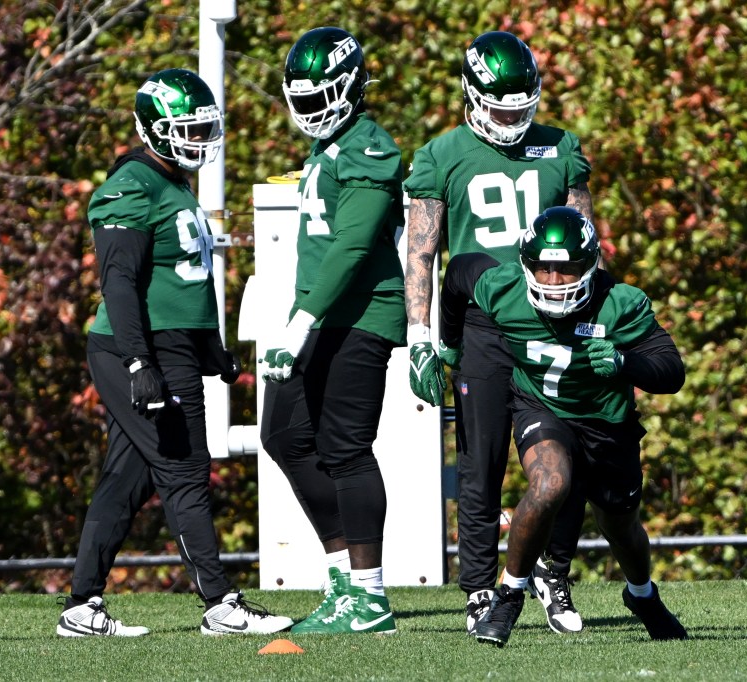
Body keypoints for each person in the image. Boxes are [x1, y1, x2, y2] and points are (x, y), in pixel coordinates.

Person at [58, 68, 293, 637]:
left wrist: (212, 348)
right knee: (186, 467)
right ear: (153, 129)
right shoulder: (131, 187)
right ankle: (219, 604)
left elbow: (190, 279)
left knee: (128, 479)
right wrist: (140, 362)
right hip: (137, 347)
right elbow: (119, 283)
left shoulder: (175, 184)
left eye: (203, 126)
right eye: (186, 127)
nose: (198, 138)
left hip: (174, 345)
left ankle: (81, 606)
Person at [405, 30, 594, 636]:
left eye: (521, 104)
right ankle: (479, 590)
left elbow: (588, 241)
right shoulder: (442, 154)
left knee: (570, 456)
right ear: (471, 94)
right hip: (482, 325)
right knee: (479, 464)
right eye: (500, 105)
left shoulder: (560, 147)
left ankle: (554, 573)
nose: (513, 117)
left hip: (553, 316)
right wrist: (419, 334)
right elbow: (423, 251)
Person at [439, 206, 689, 646]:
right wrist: (449, 340)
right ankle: (510, 595)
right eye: (544, 267)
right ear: (526, 263)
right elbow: (458, 270)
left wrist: (624, 362)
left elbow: (672, 371)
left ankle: (642, 595)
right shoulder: (503, 289)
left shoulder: (620, 303)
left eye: (566, 268)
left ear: (590, 264)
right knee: (550, 482)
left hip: (607, 425)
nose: (554, 281)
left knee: (622, 527)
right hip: (542, 408)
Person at [258, 27, 406, 635]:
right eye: (304, 99)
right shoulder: (329, 149)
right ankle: (344, 579)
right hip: (319, 315)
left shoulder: (370, 146)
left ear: (351, 87)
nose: (313, 112)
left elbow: (351, 246)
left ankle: (371, 599)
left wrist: (299, 320)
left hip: (359, 315)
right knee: (284, 436)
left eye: (324, 97)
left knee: (345, 447)